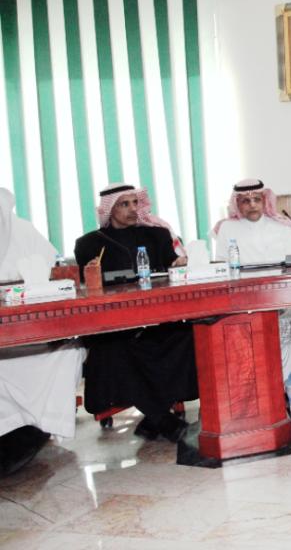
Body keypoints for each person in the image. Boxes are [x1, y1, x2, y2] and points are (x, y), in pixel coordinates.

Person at [74, 183, 198, 443]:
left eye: (135, 203)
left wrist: (180, 264)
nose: (132, 209)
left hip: (157, 320)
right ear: (109, 209)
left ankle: (154, 418)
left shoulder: (157, 235)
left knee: (188, 335)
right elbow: (86, 287)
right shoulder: (90, 244)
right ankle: (163, 420)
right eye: (124, 204)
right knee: (112, 348)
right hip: (114, 324)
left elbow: (172, 269)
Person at [0, 188, 86, 476]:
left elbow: (56, 273)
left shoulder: (23, 231)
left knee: (69, 351)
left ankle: (37, 428)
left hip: (34, 332)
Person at [213, 179, 291, 380]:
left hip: (282, 296)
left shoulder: (282, 226)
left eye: (257, 199)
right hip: (244, 299)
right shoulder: (227, 228)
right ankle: (264, 386)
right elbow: (221, 264)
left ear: (265, 201)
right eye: (246, 201)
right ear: (237, 204)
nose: (252, 204)